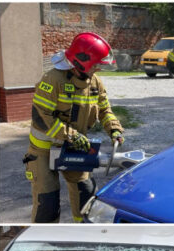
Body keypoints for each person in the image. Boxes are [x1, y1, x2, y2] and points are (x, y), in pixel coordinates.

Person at [24, 32, 124, 223]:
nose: (98, 70)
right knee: (48, 203)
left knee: (85, 196)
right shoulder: (52, 80)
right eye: (95, 65)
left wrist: (114, 129)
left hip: (73, 148)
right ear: (81, 62)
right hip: (43, 150)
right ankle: (47, 241)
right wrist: (70, 135)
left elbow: (104, 109)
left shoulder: (94, 82)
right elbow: (41, 117)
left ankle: (82, 234)